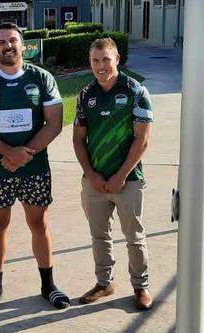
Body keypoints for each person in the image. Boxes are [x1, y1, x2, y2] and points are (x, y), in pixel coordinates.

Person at [0, 22, 70, 313]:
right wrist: (9, 153)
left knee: (39, 224)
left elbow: (55, 123)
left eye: (13, 41)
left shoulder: (42, 78)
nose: (7, 46)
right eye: (1, 42)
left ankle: (48, 285)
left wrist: (27, 153)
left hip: (34, 168)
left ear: (23, 45)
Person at [72, 38, 154, 310]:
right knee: (99, 235)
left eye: (106, 59)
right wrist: (91, 175)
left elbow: (142, 140)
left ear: (117, 59)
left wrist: (120, 175)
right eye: (95, 61)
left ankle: (140, 286)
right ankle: (104, 283)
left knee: (135, 237)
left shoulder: (136, 91)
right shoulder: (85, 95)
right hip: (94, 181)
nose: (100, 66)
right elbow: (78, 139)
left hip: (128, 181)